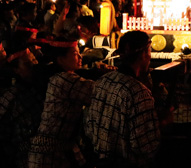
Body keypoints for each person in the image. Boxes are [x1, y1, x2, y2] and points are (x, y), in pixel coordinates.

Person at [84, 30, 161, 167]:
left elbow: (89, 126)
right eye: (149, 51)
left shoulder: (102, 82)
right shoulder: (139, 93)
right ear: (144, 54)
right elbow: (145, 147)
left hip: (99, 161)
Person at [28, 38, 95, 167]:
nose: (80, 57)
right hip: (50, 154)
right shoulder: (64, 80)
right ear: (60, 59)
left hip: (51, 150)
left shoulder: (57, 76)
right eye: (75, 54)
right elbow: (100, 92)